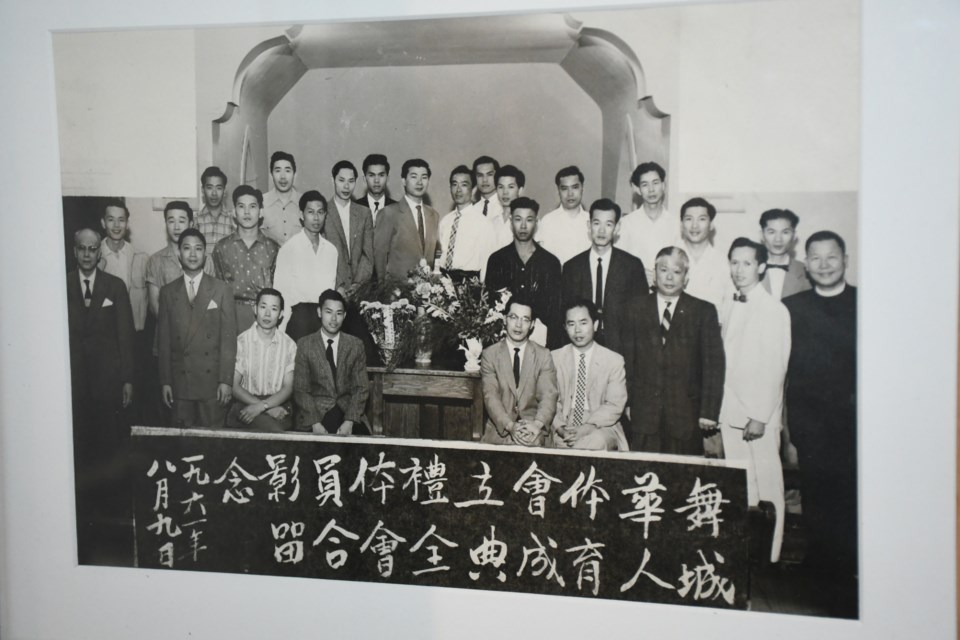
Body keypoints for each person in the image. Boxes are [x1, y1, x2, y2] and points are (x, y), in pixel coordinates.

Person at [782, 230, 857, 594]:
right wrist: (791, 431)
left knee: (850, 497)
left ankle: (846, 572)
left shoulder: (864, 304)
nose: (824, 265)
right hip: (809, 425)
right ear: (806, 264)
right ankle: (821, 571)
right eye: (816, 258)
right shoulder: (794, 308)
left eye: (832, 257)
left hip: (855, 425)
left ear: (845, 260)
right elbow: (786, 373)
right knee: (816, 497)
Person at [717, 237, 791, 563]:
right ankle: (745, 553)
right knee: (742, 485)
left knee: (769, 484)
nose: (740, 270)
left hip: (758, 415)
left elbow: (777, 366)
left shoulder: (775, 310)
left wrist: (760, 415)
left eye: (747, 263)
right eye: (734, 262)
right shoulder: (731, 303)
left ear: (761, 266)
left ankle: (770, 557)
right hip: (730, 410)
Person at [67, 228, 137, 548]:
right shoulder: (62, 284)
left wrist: (127, 379)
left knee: (109, 443)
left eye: (92, 248)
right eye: (81, 248)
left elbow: (126, 336)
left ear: (100, 253)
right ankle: (82, 508)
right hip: (73, 382)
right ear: (74, 251)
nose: (86, 254)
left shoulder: (115, 286)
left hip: (108, 383)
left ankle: (112, 508)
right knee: (80, 444)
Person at [624, 246, 724, 453]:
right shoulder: (635, 309)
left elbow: (713, 366)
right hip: (644, 416)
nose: (669, 277)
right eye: (663, 270)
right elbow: (627, 361)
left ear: (686, 277)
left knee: (682, 481)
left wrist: (709, 411)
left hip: (686, 416)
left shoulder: (703, 312)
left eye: (677, 272)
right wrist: (626, 402)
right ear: (654, 274)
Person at [158, 228, 237, 429]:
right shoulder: (168, 292)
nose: (192, 254)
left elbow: (228, 342)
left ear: (205, 254)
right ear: (178, 254)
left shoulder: (222, 290)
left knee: (213, 445)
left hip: (212, 385)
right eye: (187, 248)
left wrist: (226, 381)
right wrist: (165, 381)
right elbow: (164, 342)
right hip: (180, 383)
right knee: (183, 447)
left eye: (198, 249)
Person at [144, 201, 214, 424]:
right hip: (170, 342)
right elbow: (156, 306)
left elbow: (210, 298)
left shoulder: (205, 258)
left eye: (181, 220)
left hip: (201, 346)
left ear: (191, 222)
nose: (176, 226)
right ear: (165, 224)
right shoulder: (155, 261)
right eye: (170, 220)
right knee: (173, 407)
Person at [560, 198, 647, 355]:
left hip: (621, 350)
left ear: (617, 227)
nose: (601, 231)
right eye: (596, 223)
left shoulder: (632, 266)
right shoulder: (572, 267)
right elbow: (564, 317)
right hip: (580, 349)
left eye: (608, 224)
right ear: (589, 225)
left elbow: (641, 318)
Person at [550, 299, 629, 451]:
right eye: (571, 324)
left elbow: (614, 404)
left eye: (583, 323)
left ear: (596, 325)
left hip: (602, 425)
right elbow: (550, 400)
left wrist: (586, 428)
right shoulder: (554, 358)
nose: (577, 330)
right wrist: (561, 428)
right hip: (564, 424)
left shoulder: (613, 360)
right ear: (565, 328)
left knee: (593, 443)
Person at [480, 297, 558, 446]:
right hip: (500, 429)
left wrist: (537, 424)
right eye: (513, 317)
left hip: (534, 429)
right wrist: (511, 426)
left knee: (533, 444)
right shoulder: (489, 354)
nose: (518, 324)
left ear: (532, 324)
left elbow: (549, 396)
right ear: (504, 319)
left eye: (525, 319)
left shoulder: (543, 355)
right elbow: (491, 397)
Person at [484, 197, 562, 348]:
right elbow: (490, 308)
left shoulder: (550, 263)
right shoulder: (497, 260)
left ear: (536, 223)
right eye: (518, 219)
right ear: (511, 222)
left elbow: (555, 314)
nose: (524, 226)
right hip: (503, 340)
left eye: (529, 220)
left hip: (541, 342)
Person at [293, 289, 371, 435]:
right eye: (329, 312)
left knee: (362, 449)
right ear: (319, 312)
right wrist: (314, 423)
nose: (334, 319)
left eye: (339, 313)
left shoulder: (355, 345)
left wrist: (350, 421)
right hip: (316, 413)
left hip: (348, 411)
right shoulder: (305, 344)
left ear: (345, 316)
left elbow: (361, 388)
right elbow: (301, 390)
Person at [226, 288, 297, 432]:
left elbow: (288, 387)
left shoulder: (289, 345)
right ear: (255, 308)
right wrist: (265, 408)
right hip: (245, 403)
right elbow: (233, 385)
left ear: (281, 314)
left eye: (274, 309)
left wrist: (261, 407)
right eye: (263, 307)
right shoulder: (241, 342)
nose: (267, 314)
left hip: (279, 405)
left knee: (274, 432)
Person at [212, 185, 280, 332]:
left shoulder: (273, 248)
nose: (247, 212)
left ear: (261, 212)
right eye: (241, 206)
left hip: (264, 317)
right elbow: (217, 289)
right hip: (231, 316)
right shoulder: (222, 248)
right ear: (234, 212)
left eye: (253, 206)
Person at [273, 190, 339, 340]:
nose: (316, 218)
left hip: (325, 322)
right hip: (298, 322)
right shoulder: (289, 249)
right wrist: (281, 334)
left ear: (325, 215)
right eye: (310, 212)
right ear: (302, 215)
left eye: (320, 212)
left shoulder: (331, 251)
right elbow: (282, 295)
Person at [373, 158, 440, 282]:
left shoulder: (434, 215)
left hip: (426, 292)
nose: (419, 182)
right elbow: (380, 257)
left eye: (424, 177)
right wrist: (383, 289)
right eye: (414, 177)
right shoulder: (389, 213)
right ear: (404, 181)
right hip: (396, 292)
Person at [616, 162, 677, 284]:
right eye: (645, 185)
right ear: (638, 189)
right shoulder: (626, 224)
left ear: (663, 185)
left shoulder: (676, 224)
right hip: (635, 291)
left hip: (669, 289)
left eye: (655, 183)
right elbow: (618, 263)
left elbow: (681, 263)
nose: (651, 190)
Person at [326, 160, 375, 298]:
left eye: (351, 181)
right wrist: (339, 286)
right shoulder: (323, 212)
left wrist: (358, 285)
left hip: (359, 292)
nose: (346, 186)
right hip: (331, 289)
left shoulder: (364, 213)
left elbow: (368, 255)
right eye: (341, 180)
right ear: (333, 180)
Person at [98, 199, 148, 332]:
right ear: (103, 223)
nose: (116, 225)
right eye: (111, 220)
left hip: (134, 331)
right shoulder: (95, 259)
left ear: (127, 224)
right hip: (106, 331)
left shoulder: (140, 257)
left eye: (121, 220)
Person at [437, 164, 495, 278]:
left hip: (468, 285)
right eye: (454, 184)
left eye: (464, 185)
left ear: (473, 190)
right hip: (443, 282)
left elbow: (487, 262)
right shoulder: (445, 221)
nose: (458, 190)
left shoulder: (483, 223)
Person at [677, 197, 731, 310]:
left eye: (701, 219)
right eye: (689, 219)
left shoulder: (724, 263)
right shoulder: (670, 258)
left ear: (711, 225)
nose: (694, 226)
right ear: (681, 225)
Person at [536, 166, 591, 264]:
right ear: (558, 191)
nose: (570, 194)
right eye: (564, 189)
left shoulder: (591, 221)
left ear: (583, 188)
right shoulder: (548, 221)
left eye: (575, 187)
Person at [760, 208, 812, 300]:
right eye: (771, 232)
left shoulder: (807, 272)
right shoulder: (749, 269)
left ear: (794, 236)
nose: (778, 239)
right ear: (762, 235)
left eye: (785, 232)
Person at [261, 151, 302, 246]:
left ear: (294, 174)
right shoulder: (261, 203)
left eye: (287, 171)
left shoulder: (305, 203)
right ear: (271, 175)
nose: (283, 177)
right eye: (278, 171)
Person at [195, 166, 236, 256]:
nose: (214, 193)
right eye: (209, 188)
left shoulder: (233, 220)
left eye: (218, 188)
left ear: (224, 191)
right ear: (203, 190)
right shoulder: (195, 220)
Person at [488, 164, 524, 250]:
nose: (505, 192)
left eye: (510, 187)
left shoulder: (528, 220)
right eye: (501, 187)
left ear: (520, 190)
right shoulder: (491, 221)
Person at [354, 153, 395, 226]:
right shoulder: (354, 208)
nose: (376, 180)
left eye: (381, 175)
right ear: (364, 178)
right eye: (371, 175)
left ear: (387, 178)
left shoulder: (397, 209)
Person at [469, 155, 502, 220]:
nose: (484, 180)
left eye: (489, 175)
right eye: (480, 175)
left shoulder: (506, 208)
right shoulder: (472, 211)